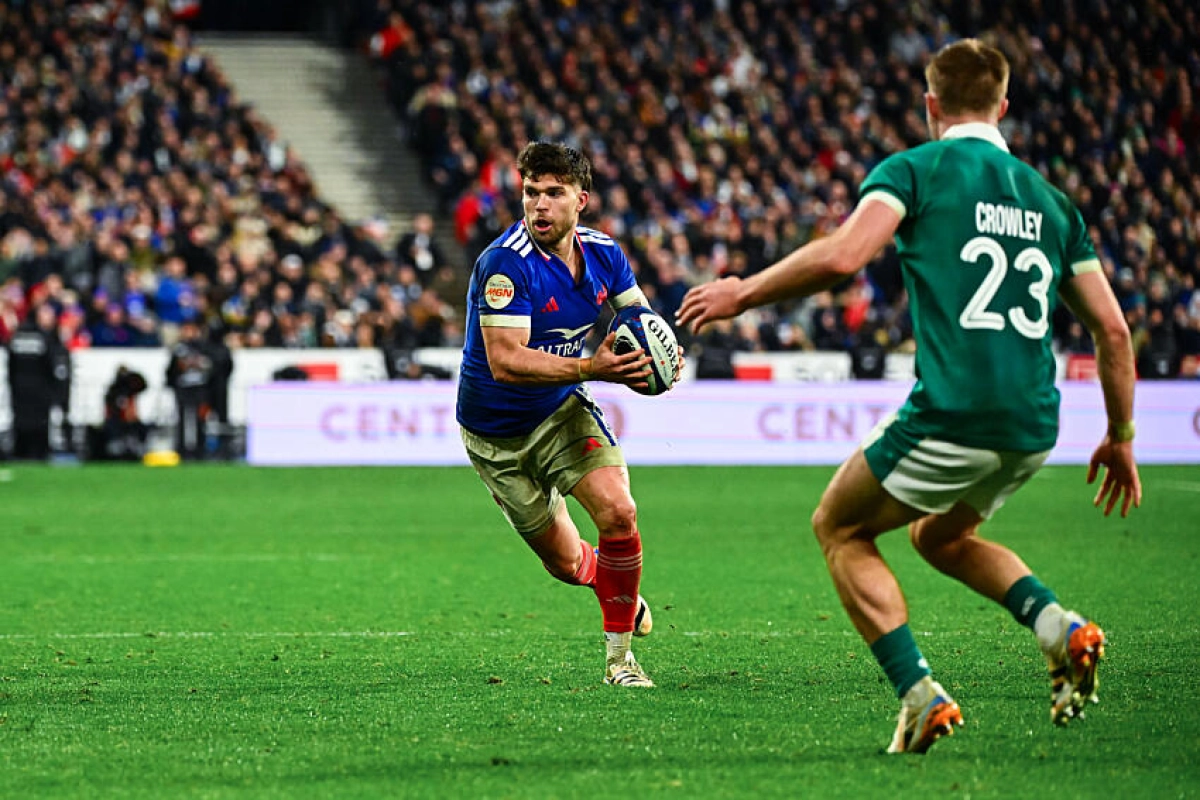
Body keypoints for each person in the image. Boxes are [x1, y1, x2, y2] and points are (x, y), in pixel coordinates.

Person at [677, 39, 1142, 753]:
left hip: (954, 409)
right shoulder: (1052, 203)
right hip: (1034, 422)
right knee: (940, 535)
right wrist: (1121, 437)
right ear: (1003, 107)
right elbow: (1112, 329)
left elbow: (843, 255)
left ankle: (920, 695)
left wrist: (743, 291)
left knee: (838, 527)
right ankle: (1060, 628)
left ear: (931, 106)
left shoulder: (916, 170)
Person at [456, 141, 674, 688]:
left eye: (553, 193)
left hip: (560, 415)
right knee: (565, 563)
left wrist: (655, 353)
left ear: (582, 199)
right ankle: (619, 590)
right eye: (532, 193)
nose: (539, 206)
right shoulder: (505, 265)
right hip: (495, 434)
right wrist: (593, 367)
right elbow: (506, 362)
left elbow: (638, 316)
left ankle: (620, 660)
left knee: (620, 514)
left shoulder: (604, 254)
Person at [6, 303, 69, 460]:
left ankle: (19, 452)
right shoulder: (44, 337)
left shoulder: (17, 336)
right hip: (40, 389)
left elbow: (10, 366)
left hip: (19, 389)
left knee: (20, 422)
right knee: (39, 425)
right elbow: (51, 366)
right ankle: (39, 453)